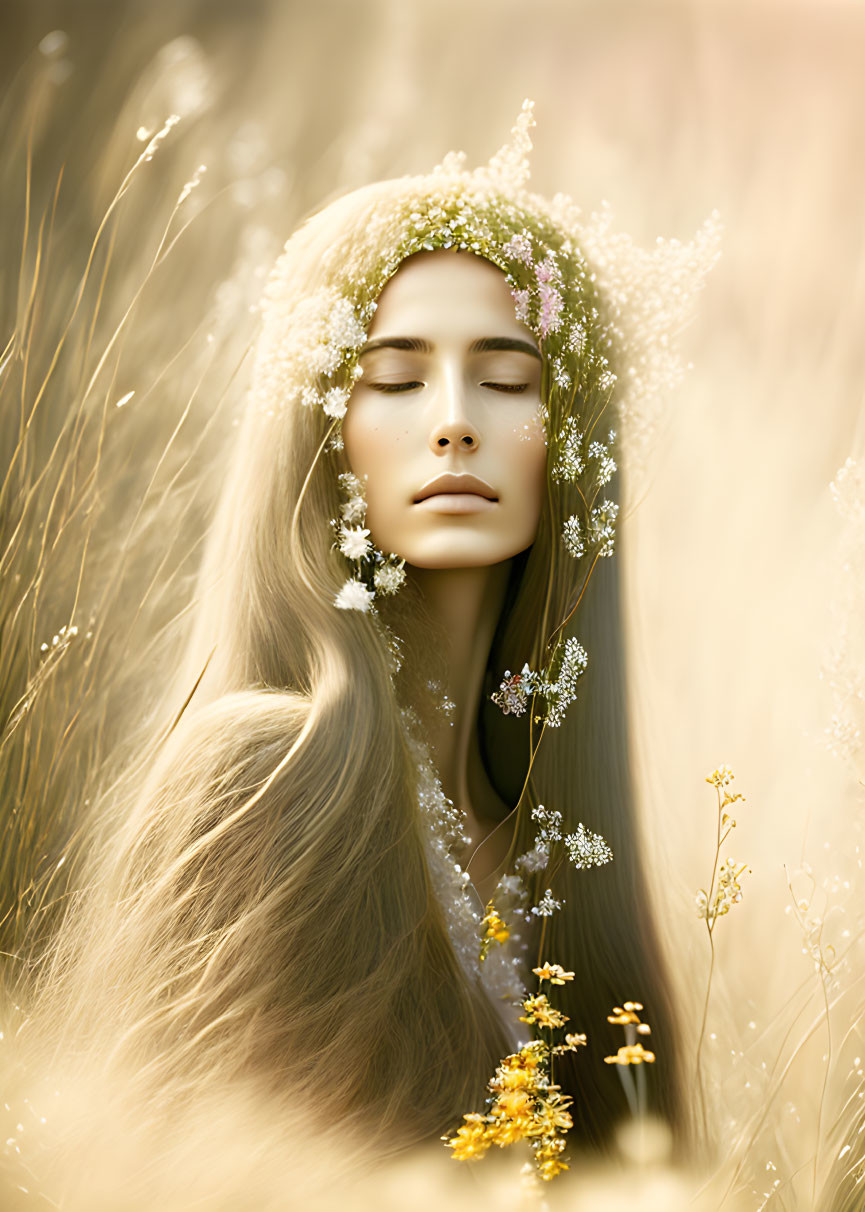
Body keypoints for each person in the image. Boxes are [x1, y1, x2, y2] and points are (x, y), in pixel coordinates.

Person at [27, 103, 708, 1164]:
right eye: (394, 379)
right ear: (320, 431)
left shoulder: (550, 847)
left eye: (507, 377)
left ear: (567, 438)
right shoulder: (269, 772)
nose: (452, 416)